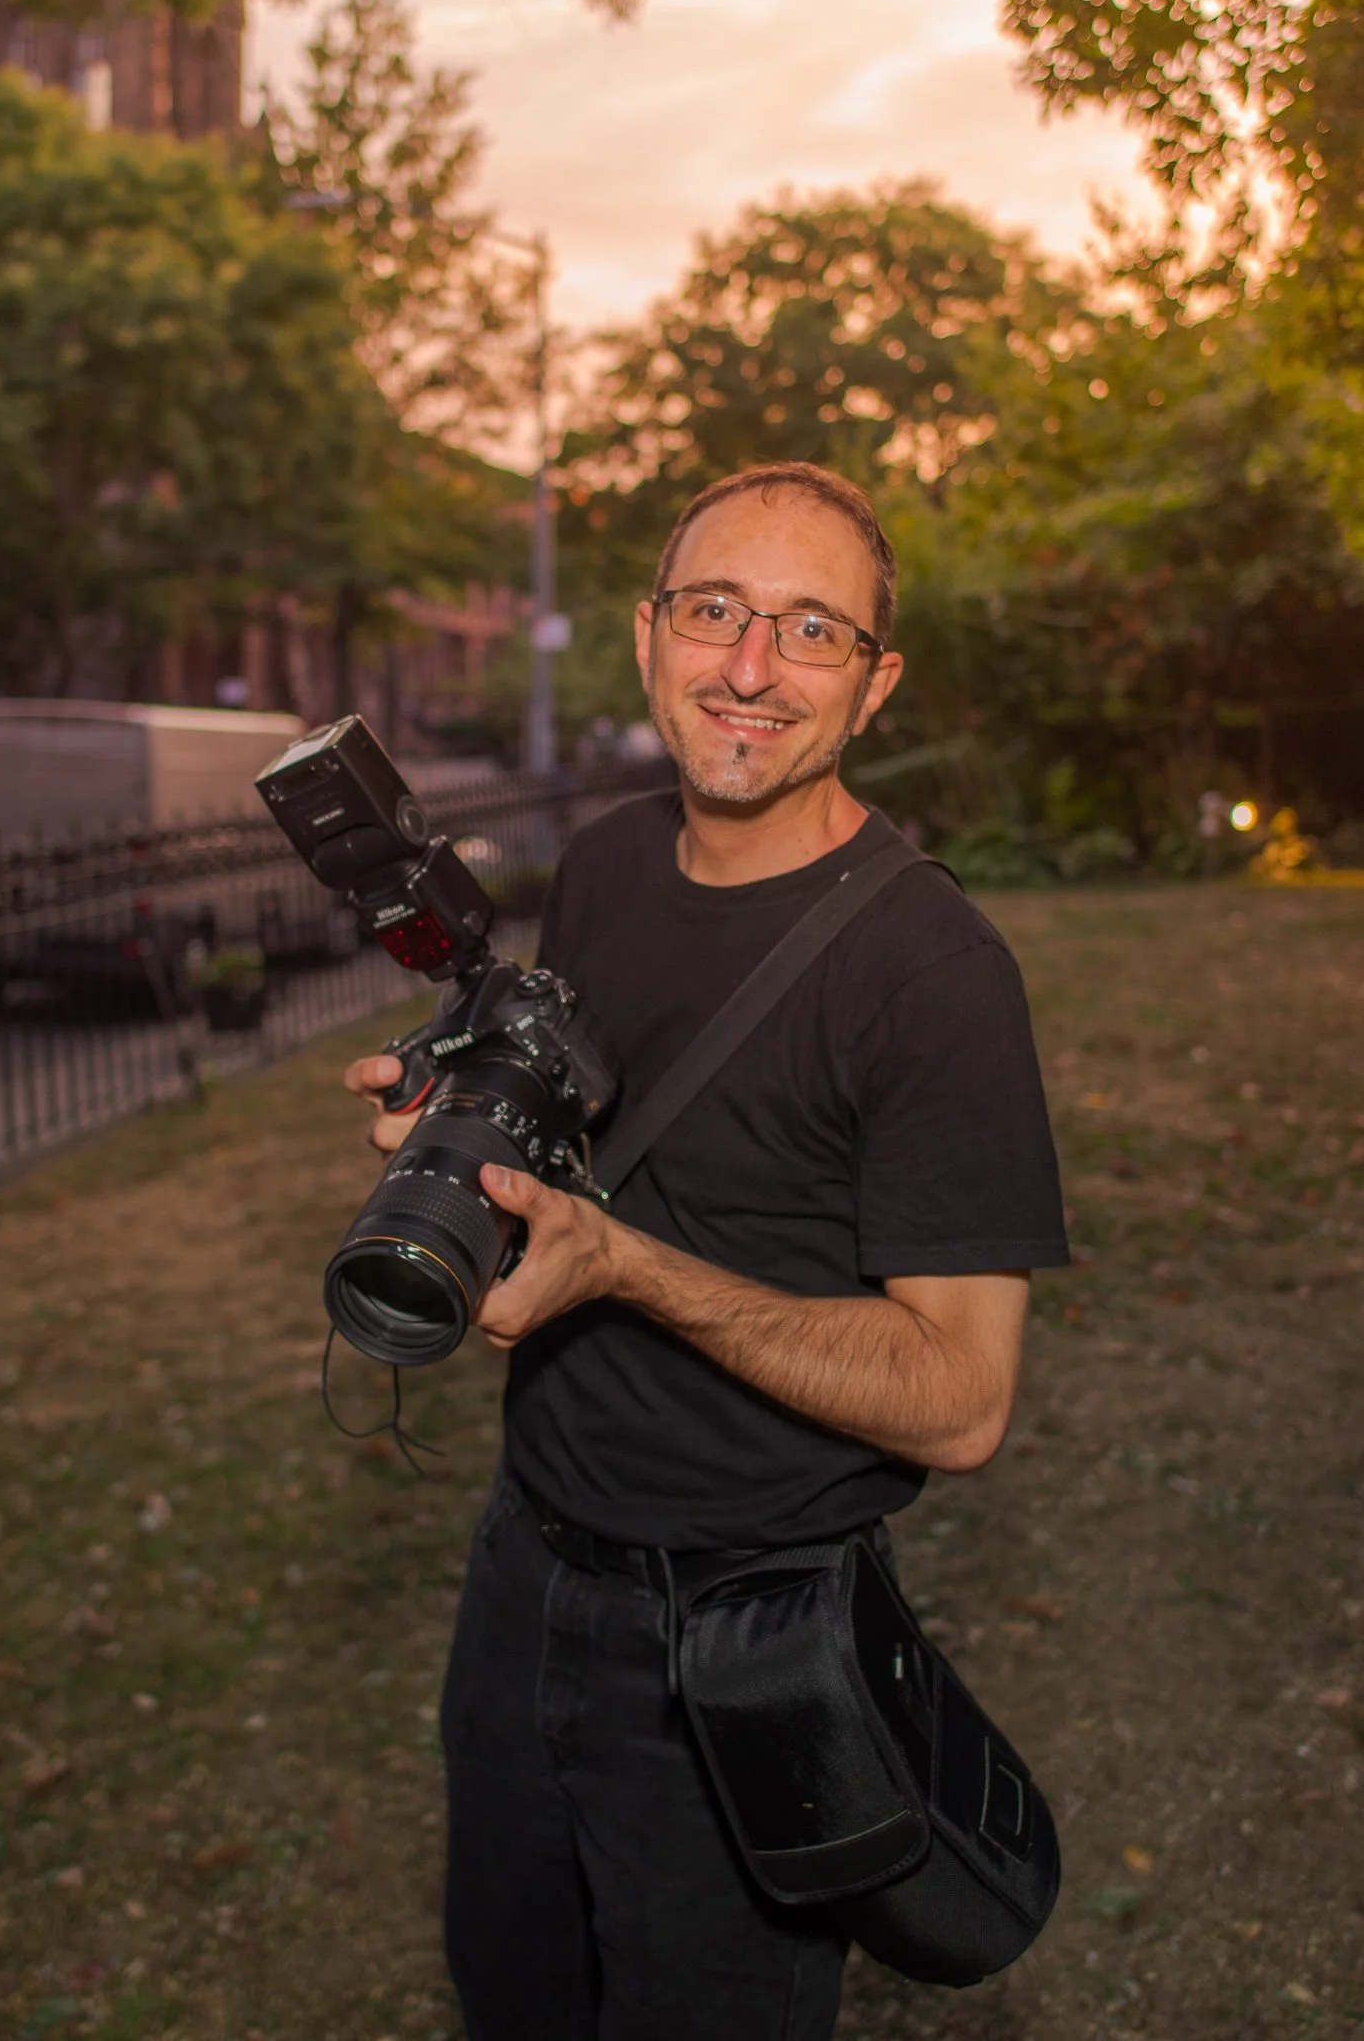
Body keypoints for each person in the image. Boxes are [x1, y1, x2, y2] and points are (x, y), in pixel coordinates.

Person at [345, 462, 1069, 2040]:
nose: (751, 669)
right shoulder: (604, 865)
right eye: (718, 612)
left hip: (747, 1645)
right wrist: (469, 1122)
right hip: (524, 1573)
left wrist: (625, 1268)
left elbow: (962, 1400)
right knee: (513, 1997)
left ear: (874, 685)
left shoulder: (932, 971)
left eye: (812, 631)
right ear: (646, 635)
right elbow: (619, 1130)